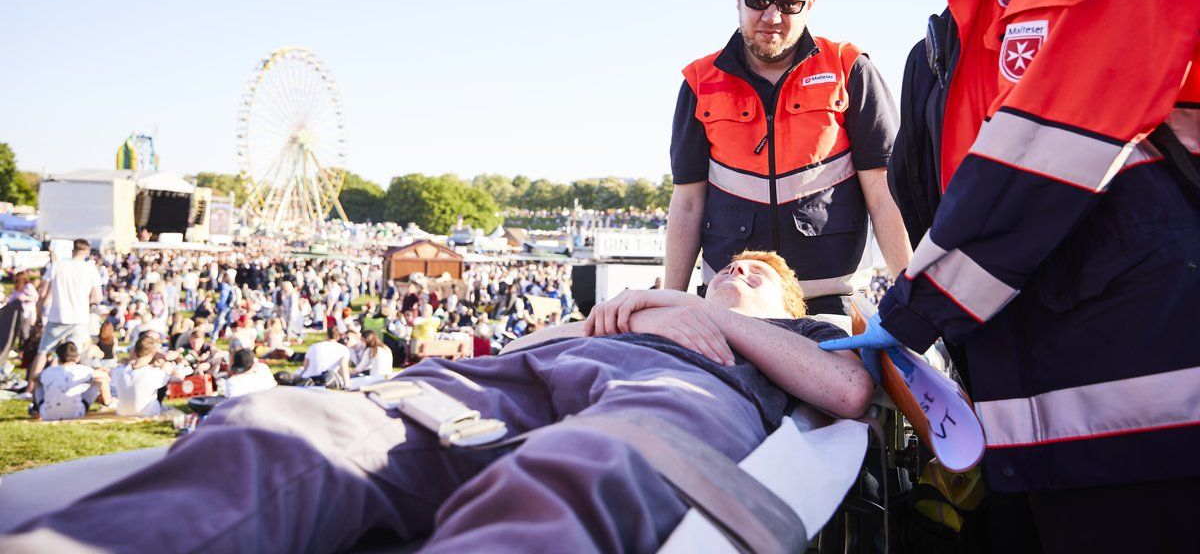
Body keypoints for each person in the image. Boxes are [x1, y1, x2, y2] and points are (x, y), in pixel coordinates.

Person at [823, 0, 1200, 554]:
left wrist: (910, 313)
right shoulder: (966, 16)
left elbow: (1041, 158)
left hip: (1145, 429)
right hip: (1026, 438)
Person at [6, 250, 870, 553]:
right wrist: (608, 313)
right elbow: (525, 355)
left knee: (582, 470)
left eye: (758, 276)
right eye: (732, 267)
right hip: (550, 364)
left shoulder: (804, 339)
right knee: (295, 426)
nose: (739, 271)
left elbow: (850, 390)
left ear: (788, 306)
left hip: (681, 392)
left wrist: (695, 311)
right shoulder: (639, 300)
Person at [665, 0, 911, 313]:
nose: (772, 17)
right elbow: (686, 203)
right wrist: (671, 303)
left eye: (789, 4)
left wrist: (910, 296)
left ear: (809, 4)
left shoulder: (849, 69)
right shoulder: (700, 82)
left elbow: (884, 193)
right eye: (759, 0)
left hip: (833, 302)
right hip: (733, 303)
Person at [28, 240, 102, 393]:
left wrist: (39, 313)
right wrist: (84, 301)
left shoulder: (57, 266)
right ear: (86, 252)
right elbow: (97, 297)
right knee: (79, 354)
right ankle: (79, 388)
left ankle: (32, 388)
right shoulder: (90, 268)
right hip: (79, 317)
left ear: (72, 250)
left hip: (57, 316)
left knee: (43, 352)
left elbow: (43, 294)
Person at [34, 341, 111, 421]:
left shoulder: (48, 371)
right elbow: (104, 376)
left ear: (58, 357)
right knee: (100, 380)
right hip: (76, 414)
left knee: (37, 383)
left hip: (47, 415)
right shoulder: (82, 370)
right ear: (76, 357)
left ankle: (36, 409)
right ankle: (107, 404)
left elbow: (34, 377)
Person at [109, 333, 178, 417]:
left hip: (122, 412)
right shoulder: (153, 373)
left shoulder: (118, 371)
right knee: (163, 380)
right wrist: (164, 359)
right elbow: (169, 371)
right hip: (149, 413)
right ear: (153, 354)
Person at [280, 327, 350, 388]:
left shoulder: (314, 346)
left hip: (309, 379)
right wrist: (347, 385)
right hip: (328, 381)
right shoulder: (344, 349)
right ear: (338, 337)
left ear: (326, 335)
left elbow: (305, 366)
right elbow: (344, 368)